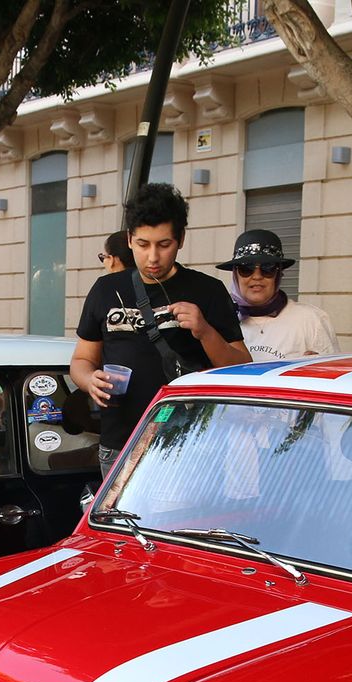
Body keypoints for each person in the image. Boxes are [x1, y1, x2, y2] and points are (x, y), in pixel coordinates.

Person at [71, 183, 249, 478]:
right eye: (143, 244)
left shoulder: (208, 291)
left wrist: (205, 331)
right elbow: (80, 361)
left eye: (163, 245)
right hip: (120, 445)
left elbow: (242, 368)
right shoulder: (105, 289)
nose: (152, 257)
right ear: (129, 240)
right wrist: (90, 380)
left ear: (180, 240)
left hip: (190, 444)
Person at [217, 229, 337, 362]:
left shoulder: (312, 320)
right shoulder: (219, 322)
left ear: (279, 274)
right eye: (246, 269)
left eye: (268, 268)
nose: (257, 276)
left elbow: (331, 375)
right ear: (235, 274)